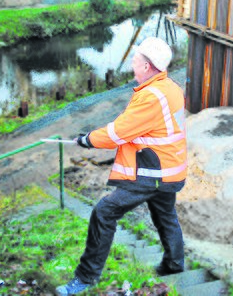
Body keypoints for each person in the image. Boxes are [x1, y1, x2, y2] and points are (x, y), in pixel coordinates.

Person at [56, 37, 188, 296]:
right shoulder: (170, 87)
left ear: (148, 67)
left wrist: (87, 139)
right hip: (171, 170)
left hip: (153, 172)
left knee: (104, 212)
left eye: (136, 59)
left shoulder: (151, 97)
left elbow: (117, 133)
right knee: (165, 216)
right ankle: (174, 264)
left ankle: (85, 277)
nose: (132, 62)